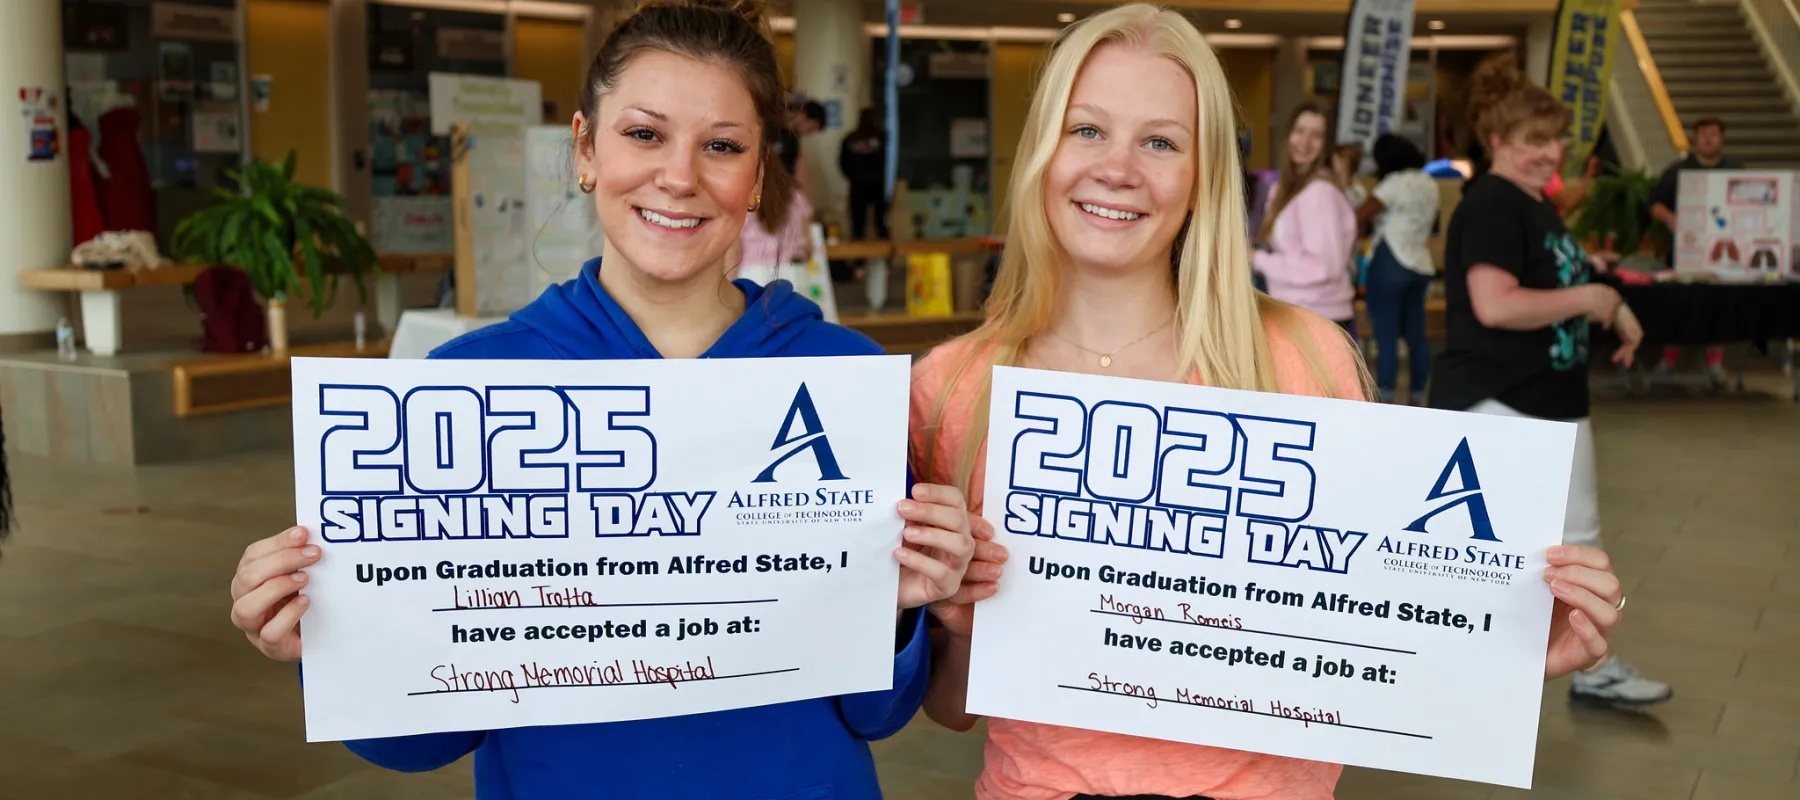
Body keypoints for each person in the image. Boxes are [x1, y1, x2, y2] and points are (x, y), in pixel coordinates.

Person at [227, 3, 980, 797]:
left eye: (721, 146)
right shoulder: (464, 387)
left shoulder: (842, 378)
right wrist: (332, 636)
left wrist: (897, 611)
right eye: (644, 134)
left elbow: (876, 714)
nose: (680, 176)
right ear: (586, 147)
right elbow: (415, 745)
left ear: (758, 175)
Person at [913, 8, 1632, 799]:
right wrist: (956, 619)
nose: (1117, 168)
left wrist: (1513, 644)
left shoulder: (1304, 360)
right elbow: (951, 709)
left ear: (1204, 176)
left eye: (1160, 141)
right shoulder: (955, 387)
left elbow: (1358, 649)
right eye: (1087, 130)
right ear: (1042, 151)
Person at [1427, 52, 1666, 711]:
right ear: (1497, 140)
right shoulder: (1493, 204)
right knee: (1497, 553)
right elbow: (1495, 304)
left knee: (1571, 544)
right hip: (1505, 402)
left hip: (1544, 400)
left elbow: (1553, 283)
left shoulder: (1533, 205)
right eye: (1534, 141)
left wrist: (1610, 302)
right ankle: (1466, 672)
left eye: (1556, 138)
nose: (1550, 152)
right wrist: (1590, 297)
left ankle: (1583, 663)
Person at [1649, 117, 1743, 385]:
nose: (1708, 139)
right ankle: (1668, 359)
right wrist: (1670, 218)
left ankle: (1715, 363)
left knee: (1719, 306)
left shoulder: (1735, 169)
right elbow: (1654, 203)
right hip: (1684, 250)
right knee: (1677, 304)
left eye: (1713, 135)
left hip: (1725, 251)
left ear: (1721, 139)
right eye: (1703, 135)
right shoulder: (1678, 170)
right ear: (1695, 139)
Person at [1254, 104, 1359, 338]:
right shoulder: (1285, 188)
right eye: (1299, 130)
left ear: (1326, 145)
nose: (1305, 141)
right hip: (1295, 312)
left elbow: (1321, 266)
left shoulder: (1319, 193)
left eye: (1316, 135)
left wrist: (1258, 259)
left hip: (1317, 317)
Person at [1356, 133, 1439, 403]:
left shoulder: (1394, 182)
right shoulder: (1429, 183)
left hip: (1391, 260)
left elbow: (1362, 213)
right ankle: (1417, 397)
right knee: (1416, 334)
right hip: (1420, 264)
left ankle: (1387, 398)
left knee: (1387, 334)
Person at [839, 107, 889, 241]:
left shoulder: (851, 139)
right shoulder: (883, 138)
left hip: (857, 185)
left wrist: (854, 177)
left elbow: (843, 163)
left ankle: (859, 259)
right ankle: (885, 257)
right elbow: (888, 161)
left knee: (857, 226)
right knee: (881, 223)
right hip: (879, 186)